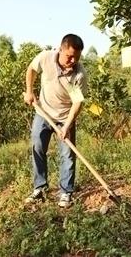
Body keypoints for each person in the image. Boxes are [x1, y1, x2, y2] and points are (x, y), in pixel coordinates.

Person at [23, 34, 88, 207]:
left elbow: (77, 102)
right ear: (60, 49)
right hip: (43, 112)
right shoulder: (46, 58)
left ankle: (66, 192)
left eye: (76, 57)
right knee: (37, 148)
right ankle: (40, 188)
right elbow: (31, 70)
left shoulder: (79, 74)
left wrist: (67, 125)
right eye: (69, 56)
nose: (72, 60)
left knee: (67, 155)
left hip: (65, 117)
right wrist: (29, 91)